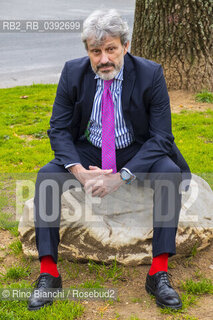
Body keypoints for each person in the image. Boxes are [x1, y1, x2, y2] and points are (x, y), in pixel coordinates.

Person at [28, 9, 190, 311]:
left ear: (125, 46)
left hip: (136, 147)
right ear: (88, 51)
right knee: (46, 178)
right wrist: (78, 171)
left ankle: (159, 271)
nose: (104, 59)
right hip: (90, 149)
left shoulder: (150, 73)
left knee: (169, 174)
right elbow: (59, 129)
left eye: (111, 49)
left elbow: (161, 137)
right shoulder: (72, 72)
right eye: (96, 51)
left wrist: (122, 176)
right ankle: (49, 273)